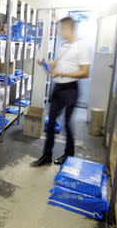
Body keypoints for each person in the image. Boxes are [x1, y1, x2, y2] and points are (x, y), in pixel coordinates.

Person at [31, 16, 91, 167]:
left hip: (71, 89)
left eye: (61, 29)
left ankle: (68, 155)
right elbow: (56, 64)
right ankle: (46, 156)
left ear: (68, 28)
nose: (59, 33)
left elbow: (85, 72)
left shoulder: (82, 46)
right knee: (51, 122)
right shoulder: (63, 46)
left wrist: (62, 74)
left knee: (68, 123)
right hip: (58, 87)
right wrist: (44, 62)